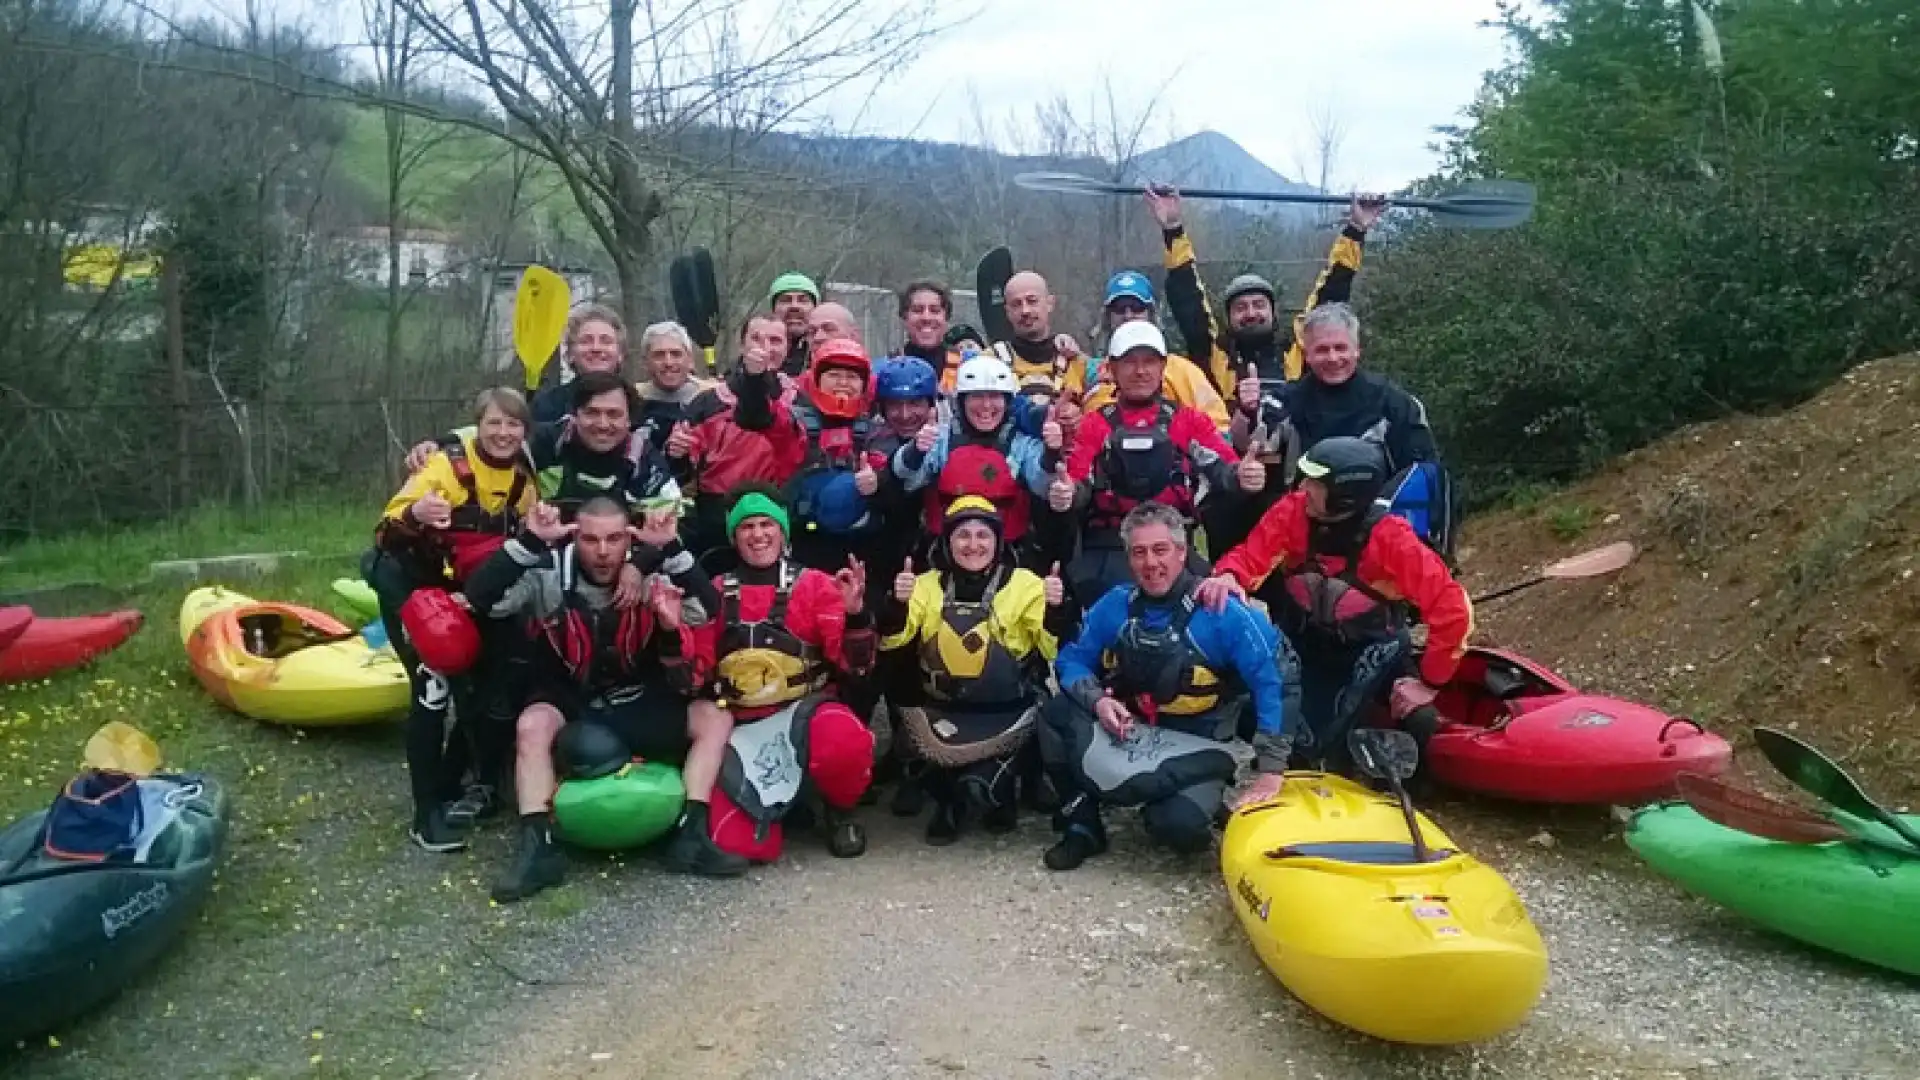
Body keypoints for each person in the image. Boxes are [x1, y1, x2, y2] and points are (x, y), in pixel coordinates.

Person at [464, 498, 743, 902]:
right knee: (531, 726)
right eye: (590, 539)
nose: (603, 551)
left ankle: (691, 835)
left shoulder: (651, 575)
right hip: (570, 696)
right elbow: (483, 598)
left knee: (713, 718)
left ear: (629, 538)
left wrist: (669, 548)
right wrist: (529, 542)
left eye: (614, 539)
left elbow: (706, 608)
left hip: (636, 695)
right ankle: (537, 847)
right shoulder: (548, 574)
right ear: (574, 536)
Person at [1040, 502, 1298, 870]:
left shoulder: (1223, 612)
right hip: (1135, 731)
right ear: (1128, 558)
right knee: (1055, 712)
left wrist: (1271, 768)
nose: (1150, 563)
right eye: (1139, 552)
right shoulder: (1116, 605)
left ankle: (1190, 794)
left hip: (1200, 741)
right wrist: (1098, 701)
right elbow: (1070, 660)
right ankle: (1082, 823)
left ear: (1182, 552)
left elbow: (1273, 683)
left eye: (1161, 550)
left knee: (1181, 829)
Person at [1199, 436, 1470, 774]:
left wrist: (1429, 683)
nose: (1305, 487)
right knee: (1273, 729)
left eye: (1316, 482)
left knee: (1419, 721)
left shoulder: (1391, 538)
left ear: (1346, 494)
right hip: (1306, 644)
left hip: (1371, 649)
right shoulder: (1293, 511)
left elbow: (1452, 608)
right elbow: (1251, 556)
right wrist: (1228, 576)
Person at [370, 388, 539, 851]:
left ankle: (450, 782)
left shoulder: (526, 481)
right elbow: (385, 531)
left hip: (463, 595)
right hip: (411, 586)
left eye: (513, 425)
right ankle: (425, 816)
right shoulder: (443, 466)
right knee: (432, 689)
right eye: (494, 424)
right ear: (476, 427)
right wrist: (417, 513)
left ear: (524, 431)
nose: (503, 434)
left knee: (480, 687)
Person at [681, 489, 878, 860]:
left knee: (843, 739)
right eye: (747, 527)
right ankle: (785, 807)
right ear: (733, 537)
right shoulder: (715, 591)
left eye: (767, 524)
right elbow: (695, 670)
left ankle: (840, 810)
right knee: (739, 846)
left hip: (805, 715)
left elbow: (857, 666)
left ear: (783, 532)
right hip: (740, 725)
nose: (758, 535)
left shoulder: (816, 585)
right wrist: (669, 629)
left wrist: (855, 615)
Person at [878, 498, 1077, 844]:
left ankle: (1012, 780)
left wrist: (1057, 610)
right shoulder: (924, 585)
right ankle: (947, 794)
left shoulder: (1027, 585)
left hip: (1008, 710)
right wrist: (897, 603)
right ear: (947, 543)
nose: (973, 545)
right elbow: (894, 641)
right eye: (962, 536)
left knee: (980, 788)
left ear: (998, 542)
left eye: (983, 535)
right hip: (942, 709)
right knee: (953, 778)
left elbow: (1051, 648)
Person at [1054, 321, 1262, 605]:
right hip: (1111, 547)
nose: (1140, 371)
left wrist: (1243, 475)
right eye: (1130, 362)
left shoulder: (1187, 421)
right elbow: (1078, 484)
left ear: (1163, 367)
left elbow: (1223, 468)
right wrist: (1066, 494)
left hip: (1173, 546)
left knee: (1215, 604)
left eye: (1149, 361)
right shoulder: (1096, 424)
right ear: (1112, 369)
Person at [1233, 303, 1450, 559]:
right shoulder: (1288, 399)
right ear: (1307, 354)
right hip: (1305, 531)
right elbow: (1250, 441)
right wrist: (1246, 410)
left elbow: (1425, 473)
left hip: (1377, 529)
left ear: (1357, 350)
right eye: (1322, 350)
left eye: (1341, 348)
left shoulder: (1394, 403)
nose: (1333, 358)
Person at [1152, 186, 1386, 391]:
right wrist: (1173, 229)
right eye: (1241, 308)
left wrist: (1356, 230)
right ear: (1229, 317)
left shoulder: (1297, 349)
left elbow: (1332, 290)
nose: (1251, 313)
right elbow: (1188, 297)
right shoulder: (1214, 354)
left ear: (1273, 313)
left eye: (1259, 305)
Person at [894, 354, 1052, 564]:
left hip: (1008, 559)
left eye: (995, 396)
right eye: (976, 396)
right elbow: (905, 478)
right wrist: (916, 450)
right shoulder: (940, 438)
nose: (986, 405)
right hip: (946, 558)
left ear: (1007, 402)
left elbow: (1043, 483)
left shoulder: (1020, 444)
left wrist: (1052, 451)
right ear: (962, 401)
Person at [677, 316, 810, 557]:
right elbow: (681, 470)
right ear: (742, 345)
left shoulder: (801, 401)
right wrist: (676, 453)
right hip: (718, 521)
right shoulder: (708, 402)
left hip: (778, 519)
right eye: (756, 339)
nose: (765, 348)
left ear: (787, 348)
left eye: (776, 340)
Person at [1061, 269, 1230, 431]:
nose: (1128, 315)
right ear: (1108, 318)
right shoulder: (1085, 371)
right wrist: (1068, 418)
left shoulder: (1181, 370)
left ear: (1151, 314)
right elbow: (1059, 420)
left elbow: (1219, 428)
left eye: (1136, 307)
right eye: (1119, 308)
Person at [527, 371, 683, 522]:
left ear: (629, 420)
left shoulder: (642, 457)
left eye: (613, 414)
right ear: (574, 415)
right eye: (592, 413)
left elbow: (678, 519)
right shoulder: (544, 444)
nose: (602, 425)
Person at [786, 336, 883, 573]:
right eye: (834, 375)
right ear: (816, 379)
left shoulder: (875, 431)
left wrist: (877, 482)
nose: (843, 383)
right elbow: (762, 417)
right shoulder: (793, 422)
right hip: (802, 542)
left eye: (851, 377)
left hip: (857, 545)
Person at [530, 305, 626, 426]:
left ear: (620, 354)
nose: (596, 348)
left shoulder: (639, 407)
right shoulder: (546, 407)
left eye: (606, 341)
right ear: (570, 354)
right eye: (586, 341)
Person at [633, 320, 708, 460]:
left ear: (690, 359)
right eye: (659, 355)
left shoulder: (711, 397)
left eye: (676, 354)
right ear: (645, 362)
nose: (668, 363)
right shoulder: (632, 399)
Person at [898, 280, 966, 391]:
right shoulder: (887, 369)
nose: (926, 317)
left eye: (935, 310)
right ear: (904, 317)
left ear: (946, 318)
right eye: (917, 310)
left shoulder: (966, 366)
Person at [768, 271, 820, 377]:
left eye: (803, 300)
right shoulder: (756, 357)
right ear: (773, 310)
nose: (794, 306)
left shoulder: (826, 356)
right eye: (785, 300)